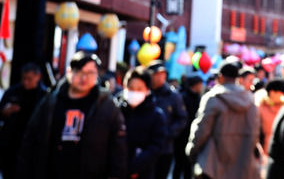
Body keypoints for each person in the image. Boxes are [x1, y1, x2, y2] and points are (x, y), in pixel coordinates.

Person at [17, 51, 127, 179]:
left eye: (90, 73)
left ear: (97, 74)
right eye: (79, 72)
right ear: (69, 72)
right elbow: (30, 139)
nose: (84, 78)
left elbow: (119, 150)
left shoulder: (107, 106)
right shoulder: (51, 101)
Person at [186, 57, 260, 179]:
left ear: (220, 77)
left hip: (213, 164)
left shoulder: (213, 98)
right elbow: (255, 132)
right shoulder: (250, 100)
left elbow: (202, 129)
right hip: (241, 163)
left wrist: (192, 150)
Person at [0, 63, 47, 179]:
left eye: (29, 79)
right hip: (11, 144)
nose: (26, 82)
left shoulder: (45, 96)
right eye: (24, 78)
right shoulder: (13, 92)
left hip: (33, 146)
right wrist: (5, 111)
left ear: (38, 76)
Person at [119, 67, 167, 179]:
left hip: (142, 173)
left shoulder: (157, 116)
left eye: (139, 89)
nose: (134, 92)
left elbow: (156, 146)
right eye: (131, 88)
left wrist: (135, 166)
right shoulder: (116, 111)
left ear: (147, 90)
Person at [148, 60, 188, 179]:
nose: (159, 77)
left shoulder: (173, 96)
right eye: (156, 74)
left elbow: (182, 118)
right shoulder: (146, 93)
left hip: (164, 149)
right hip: (145, 146)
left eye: (162, 74)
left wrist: (168, 133)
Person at [173, 75, 204, 179]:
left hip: (192, 135)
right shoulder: (183, 97)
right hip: (181, 135)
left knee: (188, 165)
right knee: (179, 163)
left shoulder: (199, 98)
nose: (201, 86)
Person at [258, 79, 284, 155]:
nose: (282, 95)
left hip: (282, 150)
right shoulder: (261, 108)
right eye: (280, 92)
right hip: (266, 150)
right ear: (272, 93)